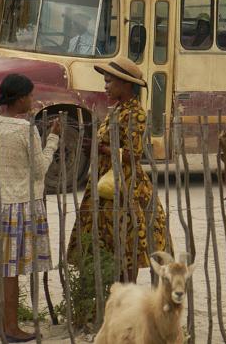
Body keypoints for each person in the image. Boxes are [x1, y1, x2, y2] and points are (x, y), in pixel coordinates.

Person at [68, 57, 170, 283]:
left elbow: (134, 155)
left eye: (109, 82)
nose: (105, 86)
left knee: (126, 245)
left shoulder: (136, 114)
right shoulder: (117, 110)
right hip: (106, 182)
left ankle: (128, 295)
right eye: (105, 81)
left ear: (125, 84)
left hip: (123, 186)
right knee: (109, 242)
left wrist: (102, 148)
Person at [0, 74, 60, 342]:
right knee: (10, 270)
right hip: (19, 205)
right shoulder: (26, 130)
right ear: (20, 98)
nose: (33, 101)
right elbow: (39, 170)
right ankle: (11, 328)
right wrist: (53, 140)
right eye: (31, 96)